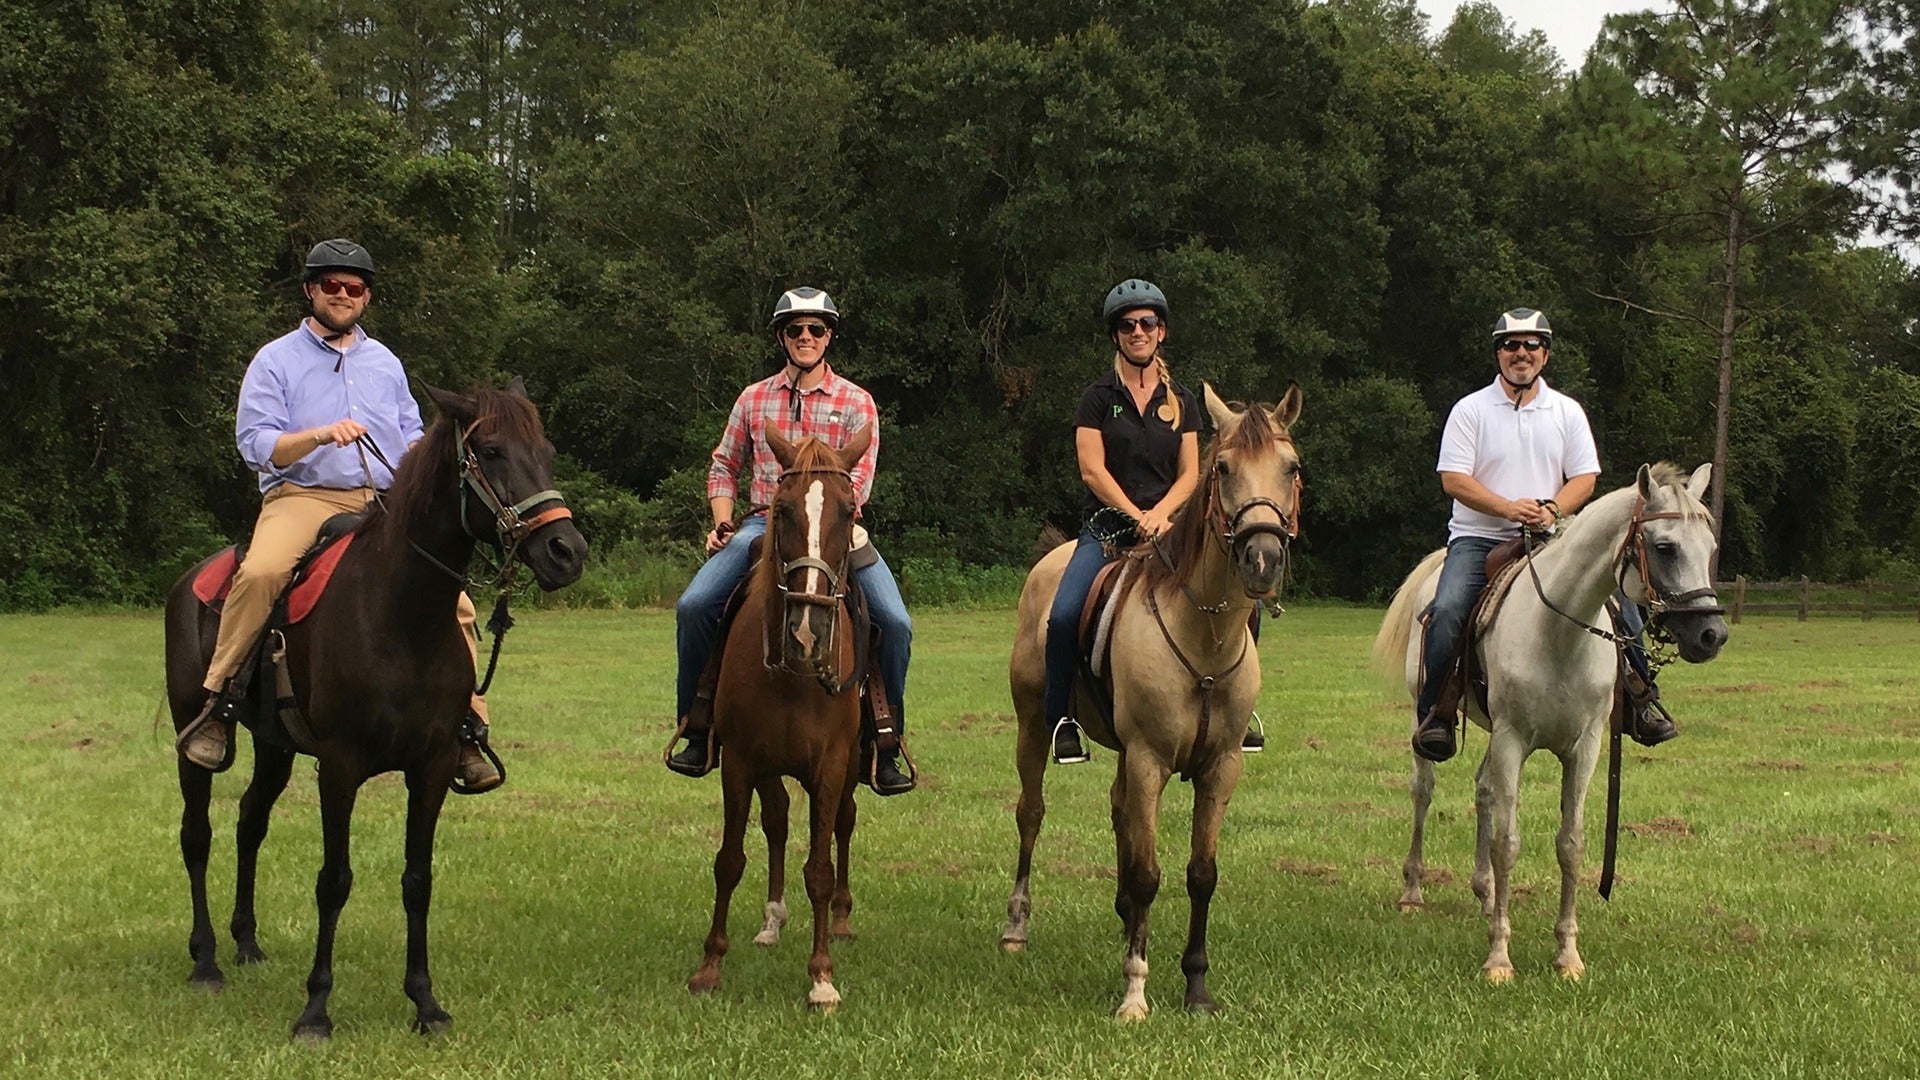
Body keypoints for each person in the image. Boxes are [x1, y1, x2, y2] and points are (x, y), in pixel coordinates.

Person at [175, 239, 503, 793]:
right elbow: (257, 444)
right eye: (332, 284)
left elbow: (413, 441)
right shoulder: (275, 359)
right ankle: (220, 704)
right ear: (311, 290)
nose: (344, 295)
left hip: (381, 501)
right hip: (302, 497)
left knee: (459, 603)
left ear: (367, 297)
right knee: (261, 573)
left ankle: (467, 726)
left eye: (355, 287)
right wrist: (320, 434)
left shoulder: (386, 363)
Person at [663, 287, 916, 795]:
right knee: (694, 606)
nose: (806, 337)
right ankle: (697, 723)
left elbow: (856, 484)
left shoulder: (857, 403)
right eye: (796, 329)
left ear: (829, 337)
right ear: (782, 337)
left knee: (895, 620)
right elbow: (723, 464)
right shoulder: (752, 398)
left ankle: (883, 739)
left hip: (835, 527)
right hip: (762, 523)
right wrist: (722, 519)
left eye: (816, 329)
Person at [1410, 307, 1676, 763]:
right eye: (1511, 345)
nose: (1521, 353)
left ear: (1545, 355)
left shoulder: (1567, 411)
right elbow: (1454, 480)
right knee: (1450, 608)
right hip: (1480, 538)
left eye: (1532, 345)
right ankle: (1438, 713)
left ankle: (1640, 697)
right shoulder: (1469, 410)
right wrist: (1508, 507)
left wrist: (1553, 508)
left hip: (1553, 536)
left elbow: (1585, 478)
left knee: (1618, 602)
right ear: (1498, 354)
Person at [1045, 279, 1267, 765]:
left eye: (1147, 323)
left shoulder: (1182, 400)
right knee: (1063, 616)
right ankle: (1062, 718)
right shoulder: (1097, 398)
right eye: (1127, 325)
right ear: (1115, 336)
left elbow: (1192, 473)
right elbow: (1091, 470)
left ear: (1161, 332)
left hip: (1172, 529)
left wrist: (1161, 515)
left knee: (1245, 605)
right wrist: (1133, 515)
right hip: (1107, 529)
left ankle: (1241, 711)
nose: (1137, 332)